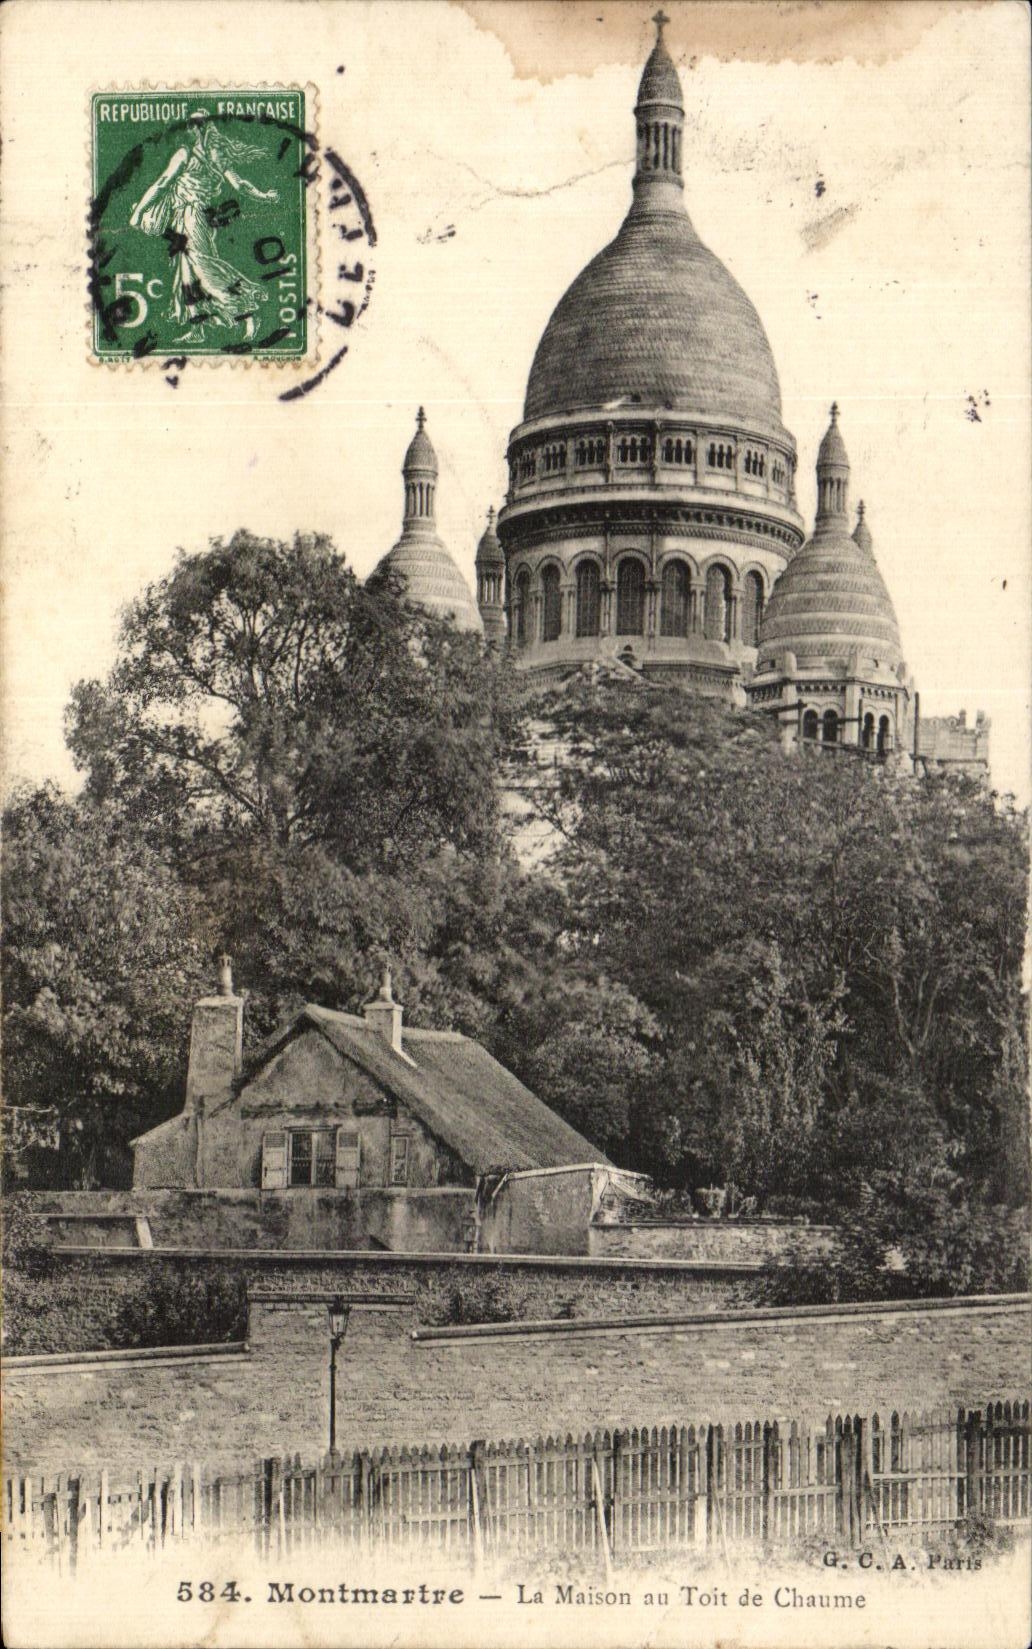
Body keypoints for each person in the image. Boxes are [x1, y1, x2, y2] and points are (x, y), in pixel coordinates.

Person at [129, 111, 279, 342]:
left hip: (191, 216)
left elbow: (161, 184)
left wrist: (138, 212)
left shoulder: (184, 154)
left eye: (190, 125)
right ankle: (197, 328)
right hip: (192, 218)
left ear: (194, 128)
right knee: (187, 273)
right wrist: (265, 196)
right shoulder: (217, 156)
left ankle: (247, 312)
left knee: (204, 270)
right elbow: (240, 185)